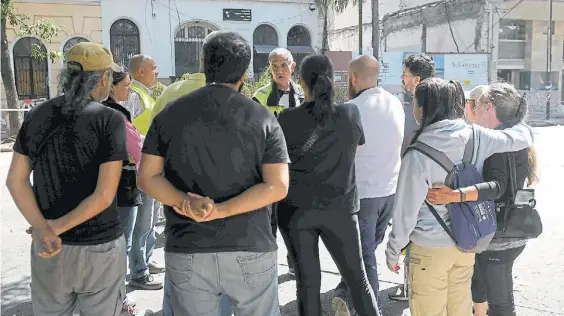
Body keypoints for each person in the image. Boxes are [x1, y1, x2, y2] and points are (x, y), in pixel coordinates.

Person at [138, 31, 289, 316]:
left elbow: (147, 177)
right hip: (250, 246)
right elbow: (278, 186)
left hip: (188, 248)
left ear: (204, 64)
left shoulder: (169, 114)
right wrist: (221, 210)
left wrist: (185, 202)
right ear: (245, 73)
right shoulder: (263, 118)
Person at [385, 78, 534, 316]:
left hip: (430, 248)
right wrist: (517, 116)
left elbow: (405, 214)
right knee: (460, 310)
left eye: (415, 102)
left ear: (424, 108)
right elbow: (523, 136)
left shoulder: (418, 152)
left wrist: (393, 251)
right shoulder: (478, 136)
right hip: (465, 244)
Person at [6, 42, 128, 316]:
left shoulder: (37, 114)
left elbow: (15, 180)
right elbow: (104, 195)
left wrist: (42, 229)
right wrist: (54, 228)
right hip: (100, 247)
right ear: (104, 78)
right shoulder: (110, 119)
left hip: (50, 250)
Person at [276, 54, 380, 316]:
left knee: (307, 286)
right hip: (341, 210)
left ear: (301, 82)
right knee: (358, 282)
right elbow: (358, 143)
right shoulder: (350, 112)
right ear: (334, 80)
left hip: (296, 211)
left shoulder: (287, 120)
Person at [427, 82, 537, 316]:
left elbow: (498, 186)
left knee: (501, 306)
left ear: (488, 108)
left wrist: (455, 195)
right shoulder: (513, 135)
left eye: (477, 105)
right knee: (486, 295)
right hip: (506, 228)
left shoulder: (499, 142)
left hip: (498, 235)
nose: (474, 109)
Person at [148, 32, 233, 316]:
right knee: (217, 278)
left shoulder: (170, 94)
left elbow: (152, 148)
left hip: (174, 196)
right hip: (218, 203)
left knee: (178, 268)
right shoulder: (234, 97)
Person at [332, 55, 405, 315]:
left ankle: (371, 309)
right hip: (389, 193)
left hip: (363, 195)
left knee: (364, 259)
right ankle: (346, 290)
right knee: (367, 250)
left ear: (352, 78)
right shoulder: (395, 103)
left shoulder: (351, 109)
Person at [252, 47, 304, 275]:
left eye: (284, 65)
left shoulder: (303, 95)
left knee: (295, 218)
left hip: (297, 168)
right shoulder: (260, 96)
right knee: (269, 219)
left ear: (293, 67)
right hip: (270, 167)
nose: (279, 70)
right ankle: (268, 265)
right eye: (274, 66)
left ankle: (293, 262)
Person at [122, 54, 164, 290]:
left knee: (151, 219)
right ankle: (139, 271)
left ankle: (146, 260)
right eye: (154, 68)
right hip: (140, 168)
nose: (157, 72)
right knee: (143, 221)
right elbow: (125, 129)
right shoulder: (133, 95)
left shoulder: (144, 94)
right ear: (140, 72)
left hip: (149, 164)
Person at [102, 69, 143, 313]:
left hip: (100, 187)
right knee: (121, 244)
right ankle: (119, 297)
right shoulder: (117, 113)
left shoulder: (88, 110)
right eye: (126, 85)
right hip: (123, 185)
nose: (129, 90)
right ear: (110, 86)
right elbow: (138, 150)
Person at [400, 54, 436, 155]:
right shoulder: (437, 104)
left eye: (405, 75)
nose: (402, 78)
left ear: (416, 80)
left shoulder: (415, 109)